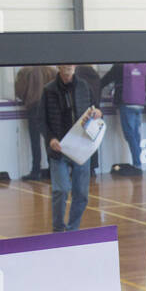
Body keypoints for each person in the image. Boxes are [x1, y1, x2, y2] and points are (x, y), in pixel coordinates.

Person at [42, 65, 101, 232]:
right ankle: (58, 228)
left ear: (74, 67)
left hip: (81, 147)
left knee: (81, 193)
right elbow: (42, 120)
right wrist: (50, 139)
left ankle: (72, 229)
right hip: (59, 148)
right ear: (59, 67)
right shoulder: (49, 90)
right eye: (65, 65)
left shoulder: (84, 86)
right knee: (61, 190)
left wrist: (97, 113)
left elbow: (96, 109)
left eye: (71, 65)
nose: (68, 68)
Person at [100, 63, 146, 174]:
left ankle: (137, 164)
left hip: (126, 103)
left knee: (130, 134)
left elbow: (104, 80)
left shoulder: (119, 66)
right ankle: (138, 162)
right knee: (136, 134)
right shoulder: (142, 65)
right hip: (139, 102)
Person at [14, 64, 57, 181]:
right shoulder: (51, 71)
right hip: (49, 107)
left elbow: (19, 90)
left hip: (33, 107)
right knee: (49, 138)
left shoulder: (26, 71)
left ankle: (36, 170)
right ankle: (52, 169)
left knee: (35, 140)